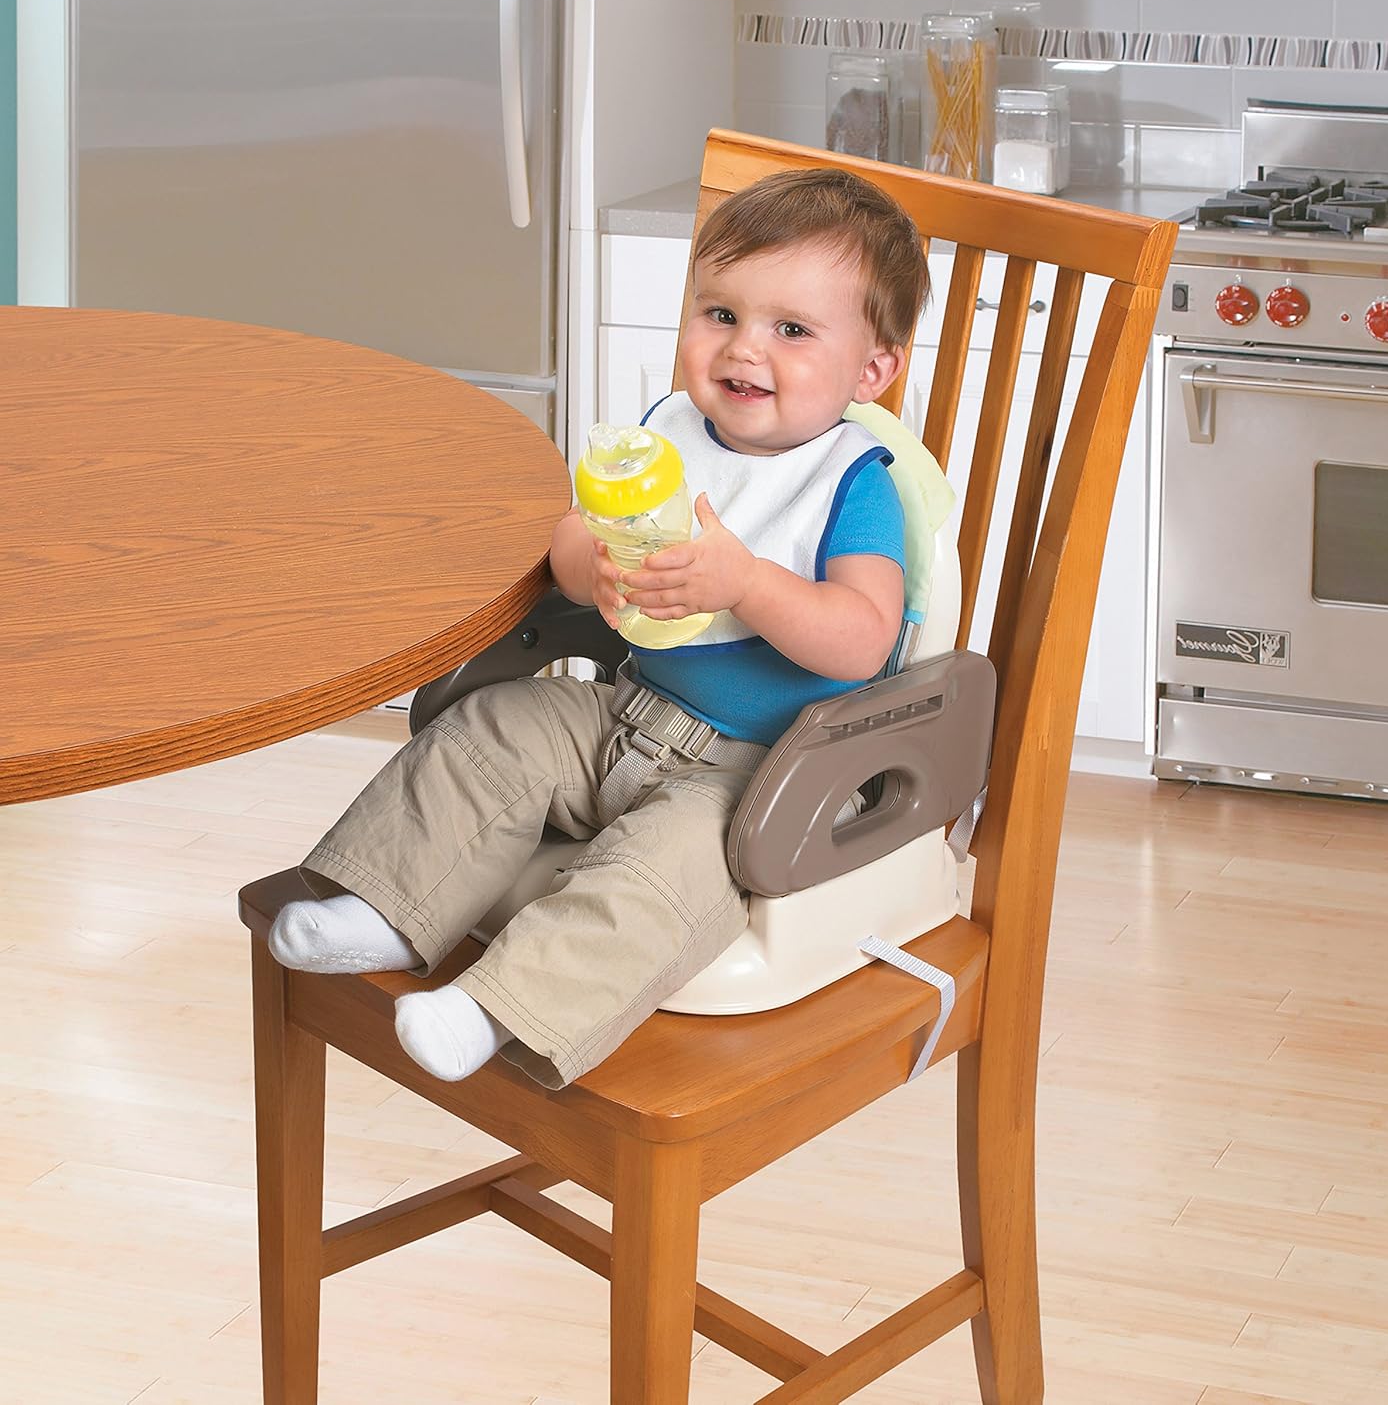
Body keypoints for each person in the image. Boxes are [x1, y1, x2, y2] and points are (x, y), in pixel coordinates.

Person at [267, 166, 932, 1088]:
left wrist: (745, 580)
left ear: (871, 370)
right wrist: (597, 573)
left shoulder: (854, 482)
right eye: (719, 313)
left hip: (755, 776)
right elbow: (573, 537)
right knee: (487, 730)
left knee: (663, 876)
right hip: (625, 710)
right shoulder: (665, 434)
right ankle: (387, 908)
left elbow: (864, 638)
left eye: (790, 329)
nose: (743, 350)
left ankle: (495, 1009)